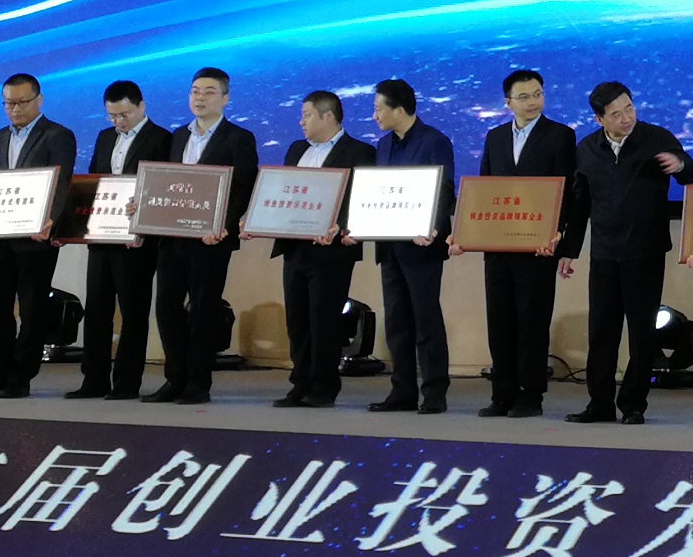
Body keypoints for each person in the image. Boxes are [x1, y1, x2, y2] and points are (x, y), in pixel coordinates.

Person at [562, 81, 693, 425]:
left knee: (642, 331)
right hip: (604, 253)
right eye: (616, 114)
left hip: (645, 251)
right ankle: (599, 404)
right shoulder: (587, 149)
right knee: (601, 331)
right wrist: (569, 251)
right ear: (599, 119)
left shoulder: (656, 138)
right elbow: (579, 204)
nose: (626, 118)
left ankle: (633, 405)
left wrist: (680, 165)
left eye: (629, 108)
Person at [472, 68, 579, 419]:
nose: (533, 102)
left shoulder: (560, 135)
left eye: (538, 94)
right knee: (499, 320)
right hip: (498, 245)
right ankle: (501, 392)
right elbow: (485, 189)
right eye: (524, 96)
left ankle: (531, 395)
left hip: (537, 246)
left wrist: (558, 233)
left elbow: (568, 190)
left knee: (532, 320)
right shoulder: (495, 137)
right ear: (508, 102)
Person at [146, 66, 257, 404]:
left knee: (203, 310)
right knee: (167, 307)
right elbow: (168, 182)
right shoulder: (178, 136)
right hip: (173, 238)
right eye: (195, 91)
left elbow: (243, 187)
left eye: (209, 92)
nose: (200, 98)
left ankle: (198, 382)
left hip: (211, 240)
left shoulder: (239, 138)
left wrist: (223, 224)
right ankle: (174, 378)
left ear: (225, 98)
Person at [0, 73, 75, 398]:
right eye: (8, 103)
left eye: (22, 102)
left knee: (31, 310)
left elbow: (61, 183)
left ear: (39, 100)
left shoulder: (58, 135)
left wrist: (50, 222)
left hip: (35, 238)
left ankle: (20, 377)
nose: (15, 109)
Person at [272, 89, 374, 409]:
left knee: (324, 320)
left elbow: (364, 199)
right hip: (295, 247)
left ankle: (324, 387)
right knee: (297, 320)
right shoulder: (296, 149)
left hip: (332, 251)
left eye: (307, 115)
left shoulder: (360, 151)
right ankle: (299, 383)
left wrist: (341, 225)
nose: (301, 122)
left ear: (328, 116)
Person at [366, 79, 460, 415]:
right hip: (389, 245)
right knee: (396, 322)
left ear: (399, 109)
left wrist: (431, 225)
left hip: (422, 245)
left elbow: (444, 187)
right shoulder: (383, 145)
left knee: (425, 319)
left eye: (379, 108)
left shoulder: (434, 140)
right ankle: (402, 391)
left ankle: (434, 392)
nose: (375, 115)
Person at [73, 79, 172, 401]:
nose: (119, 121)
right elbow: (94, 182)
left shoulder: (162, 139)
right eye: (112, 115)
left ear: (141, 106)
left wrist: (143, 210)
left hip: (137, 241)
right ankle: (94, 379)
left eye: (125, 114)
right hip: (103, 237)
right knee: (97, 309)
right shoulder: (105, 138)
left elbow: (164, 187)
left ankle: (127, 382)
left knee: (133, 312)